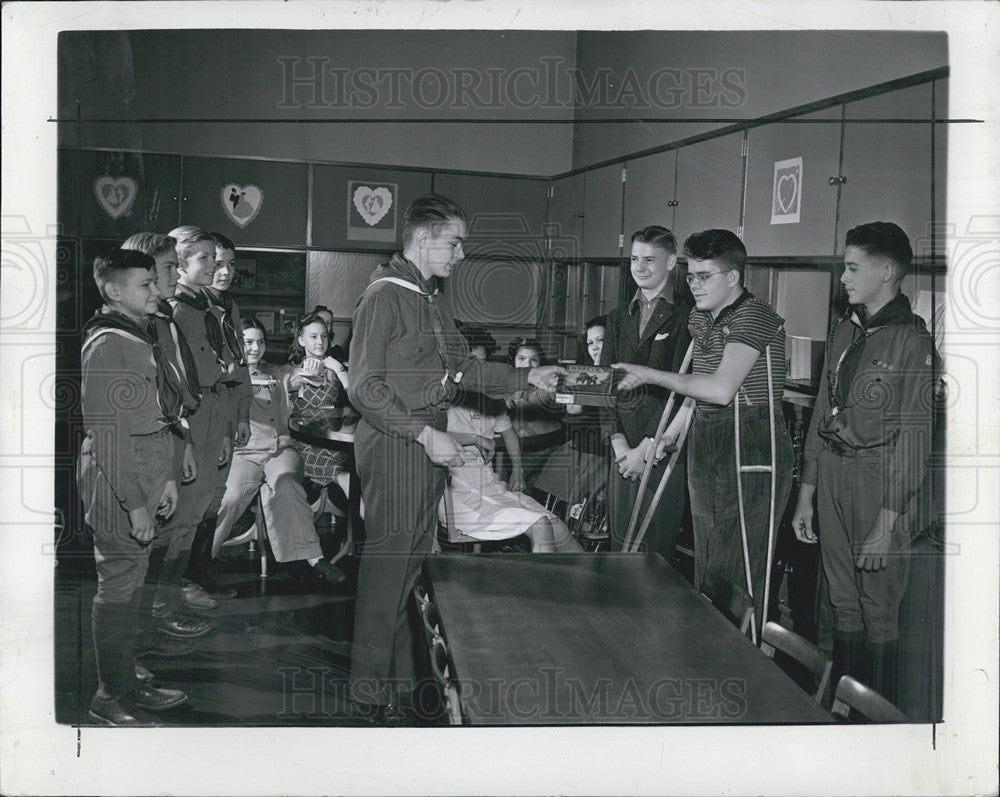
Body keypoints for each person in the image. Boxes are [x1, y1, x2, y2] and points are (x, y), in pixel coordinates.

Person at [347, 193, 563, 723]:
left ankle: (395, 687)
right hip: (398, 446)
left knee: (411, 569)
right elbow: (365, 388)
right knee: (385, 575)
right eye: (455, 242)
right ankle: (368, 699)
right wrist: (424, 434)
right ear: (423, 240)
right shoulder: (386, 297)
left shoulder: (428, 296)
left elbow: (462, 369)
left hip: (424, 445)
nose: (461, 254)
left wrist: (525, 377)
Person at [614, 229, 793, 636]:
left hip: (752, 443)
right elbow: (697, 392)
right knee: (709, 559)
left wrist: (647, 374)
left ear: (732, 277)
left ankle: (749, 657)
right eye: (690, 276)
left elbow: (720, 388)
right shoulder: (701, 317)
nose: (694, 285)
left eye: (704, 276)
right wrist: (670, 435)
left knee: (742, 566)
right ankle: (707, 649)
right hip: (708, 437)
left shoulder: (755, 316)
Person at [790, 222, 936, 704]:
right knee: (841, 603)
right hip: (831, 474)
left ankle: (876, 721)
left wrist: (887, 525)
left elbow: (915, 442)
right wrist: (806, 495)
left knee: (877, 611)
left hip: (880, 483)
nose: (844, 279)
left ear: (888, 271)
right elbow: (818, 415)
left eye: (853, 268)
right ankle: (843, 712)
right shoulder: (846, 329)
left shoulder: (911, 342)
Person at [78, 248, 190, 725]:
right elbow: (106, 434)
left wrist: (166, 477)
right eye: (145, 283)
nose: (155, 290)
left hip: (147, 468)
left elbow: (157, 416)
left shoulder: (138, 334)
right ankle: (109, 696)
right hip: (116, 479)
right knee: (119, 586)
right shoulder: (107, 343)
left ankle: (129, 680)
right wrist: (135, 505)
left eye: (153, 280)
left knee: (133, 581)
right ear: (113, 291)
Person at [120, 233, 215, 650]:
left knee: (173, 529)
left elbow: (177, 389)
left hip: (173, 435)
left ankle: (156, 617)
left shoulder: (164, 321)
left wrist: (187, 442)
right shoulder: (129, 331)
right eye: (169, 267)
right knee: (143, 545)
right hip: (142, 448)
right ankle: (140, 636)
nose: (175, 275)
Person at [209, 318, 347, 585]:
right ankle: (203, 562)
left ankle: (314, 560)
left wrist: (316, 366)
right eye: (248, 342)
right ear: (237, 343)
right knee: (231, 496)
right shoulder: (227, 377)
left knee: (286, 484)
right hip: (244, 453)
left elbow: (302, 376)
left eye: (260, 342)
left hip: (280, 450)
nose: (255, 348)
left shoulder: (278, 371)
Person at [157, 225, 248, 619]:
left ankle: (175, 588)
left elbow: (232, 367)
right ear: (178, 263)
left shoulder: (209, 309)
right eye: (206, 259)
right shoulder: (173, 312)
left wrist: (233, 420)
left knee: (199, 508)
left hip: (218, 409)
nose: (215, 267)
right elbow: (176, 381)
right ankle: (163, 598)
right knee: (182, 514)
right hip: (194, 415)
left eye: (220, 259)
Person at [443, 328, 583, 553]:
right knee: (541, 526)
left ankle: (598, 585)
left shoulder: (490, 399)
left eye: (484, 364)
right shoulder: (442, 398)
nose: (481, 373)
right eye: (473, 366)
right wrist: (473, 438)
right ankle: (545, 588)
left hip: (489, 485)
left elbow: (508, 432)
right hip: (456, 492)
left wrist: (517, 470)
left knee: (558, 528)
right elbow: (427, 434)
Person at [601, 226, 692, 562]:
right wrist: (618, 442)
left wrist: (649, 446)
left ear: (670, 263)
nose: (639, 267)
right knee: (619, 549)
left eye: (649, 260)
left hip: (663, 449)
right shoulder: (617, 318)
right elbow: (605, 385)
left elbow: (684, 390)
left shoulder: (688, 318)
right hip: (622, 453)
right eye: (634, 259)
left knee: (656, 554)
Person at [287, 312, 353, 510]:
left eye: (324, 336)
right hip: (304, 445)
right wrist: (296, 382)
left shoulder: (336, 369)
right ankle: (366, 530)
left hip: (334, 442)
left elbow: (357, 399)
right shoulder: (293, 371)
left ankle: (361, 532)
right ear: (301, 340)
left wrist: (339, 369)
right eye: (313, 336)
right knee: (344, 476)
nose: (320, 341)